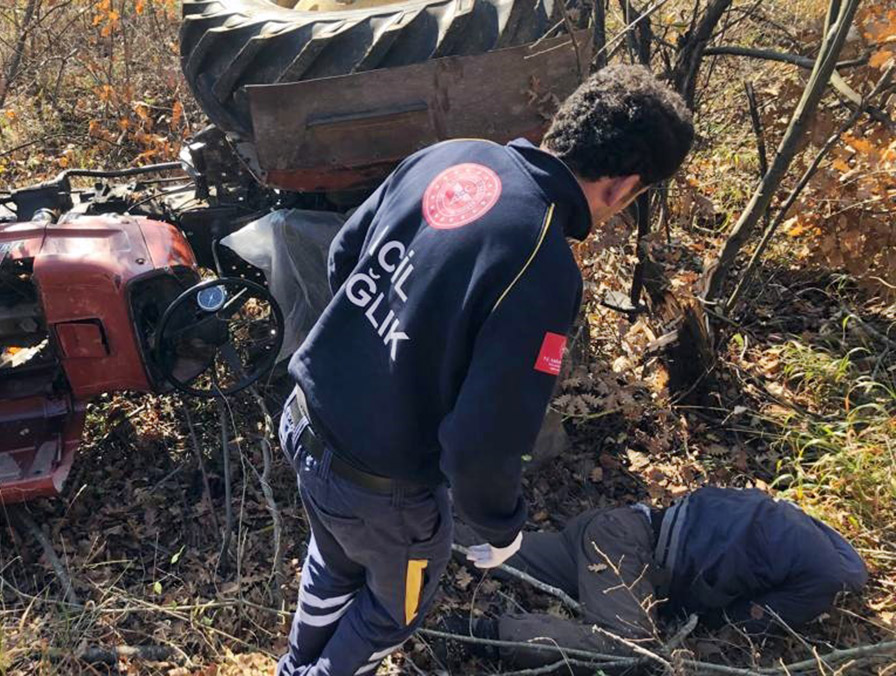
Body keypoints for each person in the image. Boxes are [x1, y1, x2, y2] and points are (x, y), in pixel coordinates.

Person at [275, 64, 694, 675]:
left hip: (307, 417)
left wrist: (379, 353)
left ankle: (294, 664)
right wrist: (500, 528)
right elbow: (483, 441)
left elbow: (345, 254)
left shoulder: (454, 155)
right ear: (624, 186)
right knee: (391, 613)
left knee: (335, 559)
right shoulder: (542, 265)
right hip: (381, 484)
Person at [449, 487, 869, 670]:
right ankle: (480, 633)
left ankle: (417, 525)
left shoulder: (795, 523)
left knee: (499, 554)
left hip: (617, 526)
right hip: (630, 555)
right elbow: (751, 622)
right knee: (629, 649)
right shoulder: (825, 579)